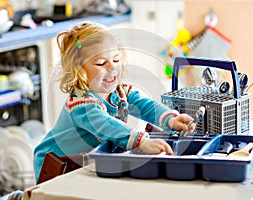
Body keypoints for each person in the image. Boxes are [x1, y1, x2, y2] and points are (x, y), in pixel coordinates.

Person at [33, 21, 195, 181]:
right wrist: (142, 141)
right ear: (79, 69)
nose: (112, 67)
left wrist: (170, 119)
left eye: (116, 60)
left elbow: (145, 106)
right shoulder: (81, 104)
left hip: (82, 163)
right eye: (101, 63)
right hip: (54, 165)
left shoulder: (119, 91)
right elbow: (107, 126)